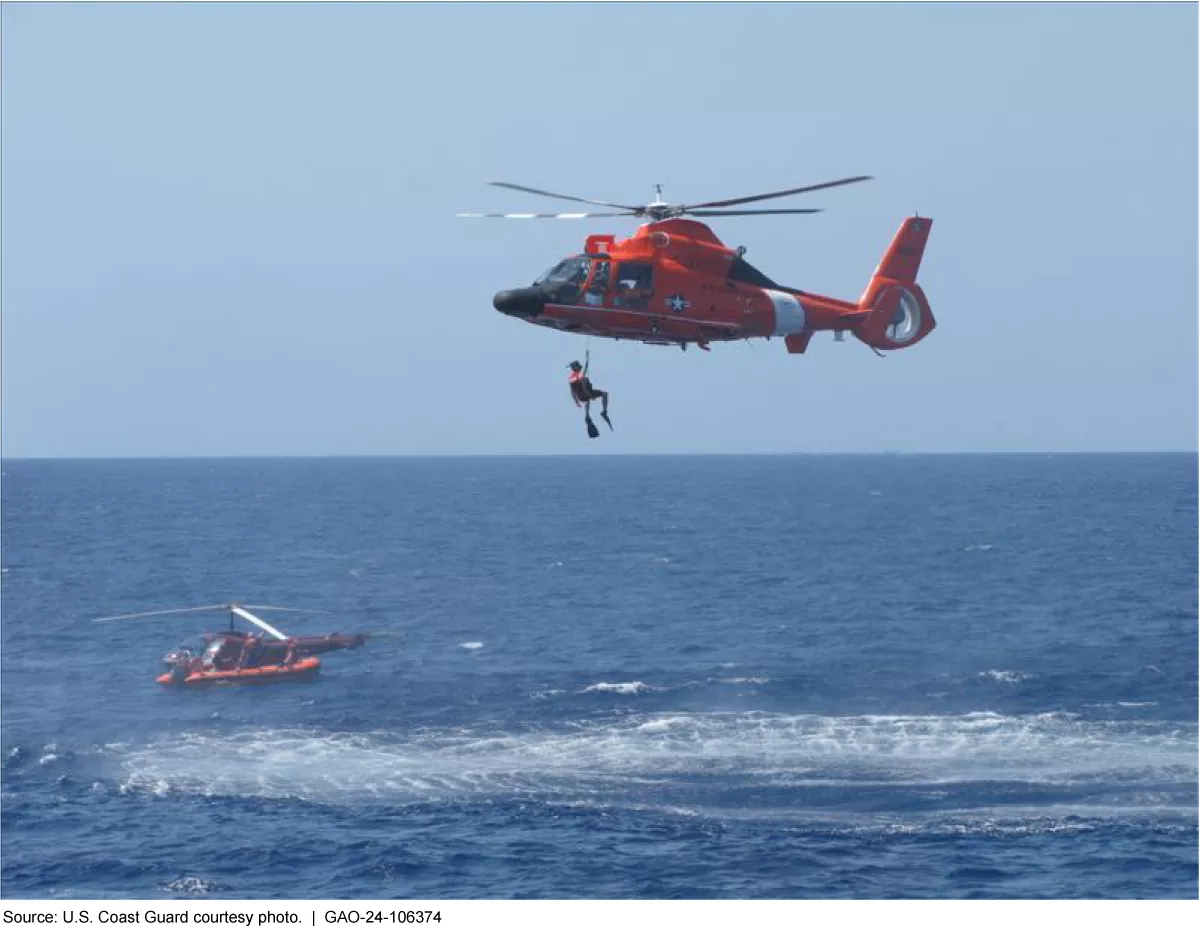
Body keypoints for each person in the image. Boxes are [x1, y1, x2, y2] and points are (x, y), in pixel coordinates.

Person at [567, 360, 612, 431]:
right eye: (578, 367)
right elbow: (585, 388)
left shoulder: (572, 379)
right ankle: (604, 411)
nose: (580, 368)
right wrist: (591, 397)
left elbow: (572, 393)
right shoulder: (581, 378)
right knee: (604, 394)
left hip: (581, 397)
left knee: (587, 400)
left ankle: (587, 414)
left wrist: (576, 402)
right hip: (587, 393)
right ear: (576, 368)